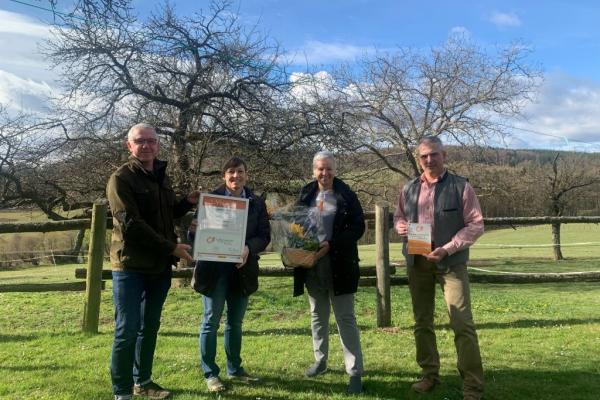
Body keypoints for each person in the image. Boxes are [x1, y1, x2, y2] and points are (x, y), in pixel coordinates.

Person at [106, 123, 200, 400]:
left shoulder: (160, 176)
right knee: (127, 330)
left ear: (158, 145)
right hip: (131, 267)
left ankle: (143, 382)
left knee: (149, 328)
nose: (146, 146)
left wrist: (185, 203)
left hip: (158, 267)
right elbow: (131, 224)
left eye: (151, 141)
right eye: (140, 141)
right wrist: (172, 248)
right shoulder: (120, 179)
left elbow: (164, 214)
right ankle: (122, 392)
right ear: (129, 145)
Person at [394, 136, 485, 400]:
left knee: (462, 323)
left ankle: (472, 385)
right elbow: (400, 216)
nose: (429, 160)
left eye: (434, 154)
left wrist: (448, 248)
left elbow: (475, 224)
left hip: (450, 263)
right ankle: (429, 375)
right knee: (422, 322)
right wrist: (400, 226)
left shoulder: (461, 187)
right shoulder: (409, 188)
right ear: (418, 159)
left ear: (444, 155)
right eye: (424, 156)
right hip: (418, 261)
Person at [190, 157, 270, 393]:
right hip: (214, 271)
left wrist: (247, 248)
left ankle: (235, 369)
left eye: (241, 172)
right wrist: (197, 231)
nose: (236, 176)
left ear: (247, 175)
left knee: (235, 322)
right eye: (231, 172)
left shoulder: (256, 202)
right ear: (224, 176)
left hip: (242, 271)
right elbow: (193, 236)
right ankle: (210, 374)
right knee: (211, 321)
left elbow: (264, 236)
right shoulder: (210, 201)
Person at [292, 151, 365, 395]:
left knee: (345, 318)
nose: (325, 173)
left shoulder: (346, 195)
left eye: (329, 169)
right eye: (320, 169)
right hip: (312, 265)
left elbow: (358, 227)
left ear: (335, 169)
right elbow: (296, 225)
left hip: (340, 263)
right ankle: (320, 361)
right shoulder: (306, 193)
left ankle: (354, 372)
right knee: (317, 315)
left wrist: (332, 245)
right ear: (313, 170)